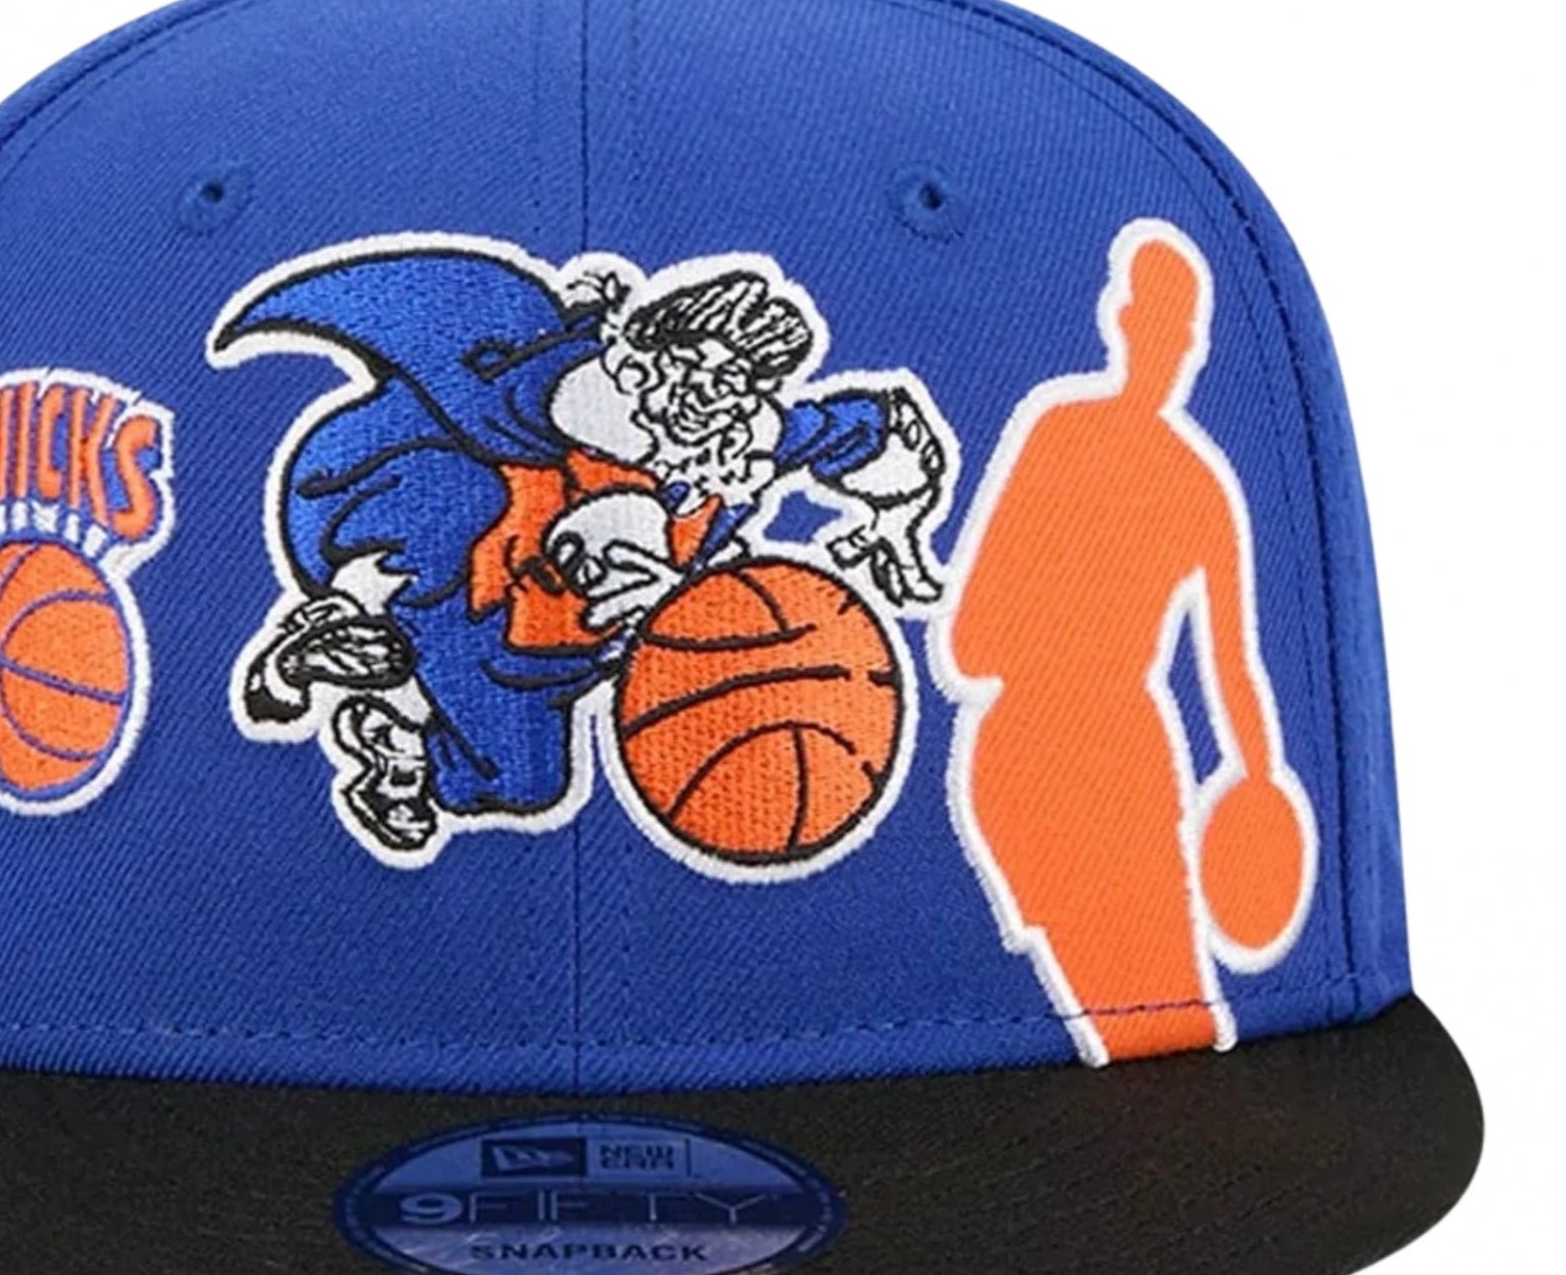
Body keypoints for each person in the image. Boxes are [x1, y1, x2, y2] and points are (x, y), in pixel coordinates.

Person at [210, 239, 953, 859]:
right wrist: (675, 606)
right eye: (690, 373)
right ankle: (347, 617)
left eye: (733, 383)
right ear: (640, 359)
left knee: (523, 784)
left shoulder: (735, 438)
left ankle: (390, 744)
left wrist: (898, 521)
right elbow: (603, 531)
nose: (707, 399)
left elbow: (875, 432)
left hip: (527, 645)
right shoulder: (559, 394)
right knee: (449, 507)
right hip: (405, 527)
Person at [937, 224, 1315, 1063]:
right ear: (1122, 318)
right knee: (1157, 1011)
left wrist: (1256, 782)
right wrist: (1255, 780)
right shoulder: (1188, 480)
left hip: (1063, 753)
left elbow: (970, 643)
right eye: (1164, 324)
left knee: (1155, 1018)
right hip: (1089, 757)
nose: (1172, 349)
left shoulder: (1073, 439)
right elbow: (1232, 671)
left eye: (1184, 332)